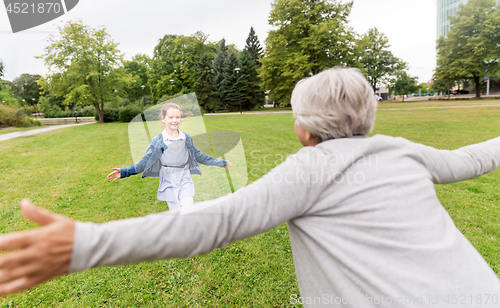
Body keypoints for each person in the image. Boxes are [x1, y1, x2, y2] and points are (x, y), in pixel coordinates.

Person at [1, 67, 500, 307]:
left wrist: (86, 243)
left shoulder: (306, 169)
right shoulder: (402, 149)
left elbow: (216, 224)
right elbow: (477, 157)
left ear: (303, 129)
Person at [106, 102, 232, 211]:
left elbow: (199, 155)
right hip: (168, 180)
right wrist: (124, 172)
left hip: (184, 178)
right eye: (171, 117)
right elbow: (145, 162)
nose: (175, 120)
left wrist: (220, 163)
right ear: (163, 118)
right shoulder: (159, 140)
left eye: (177, 117)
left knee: (188, 211)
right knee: (177, 216)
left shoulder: (186, 138)